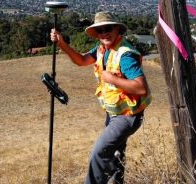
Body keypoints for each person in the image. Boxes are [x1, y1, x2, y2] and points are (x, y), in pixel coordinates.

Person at [50, 11, 152, 184]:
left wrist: (112, 78)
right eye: (100, 30)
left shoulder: (125, 55)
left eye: (108, 28)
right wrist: (62, 44)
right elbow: (81, 60)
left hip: (127, 116)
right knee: (115, 157)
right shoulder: (102, 49)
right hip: (114, 114)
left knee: (99, 153)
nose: (104, 33)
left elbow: (142, 88)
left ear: (117, 29)